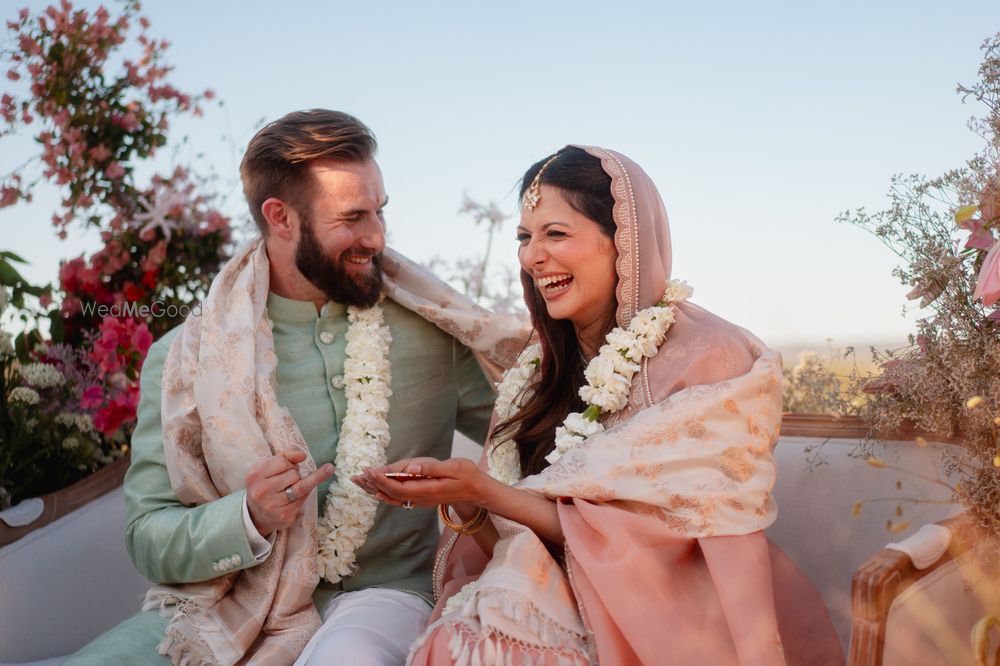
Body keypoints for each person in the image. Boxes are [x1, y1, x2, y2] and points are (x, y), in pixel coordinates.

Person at [67, 110, 528, 665]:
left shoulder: (436, 333)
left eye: (380, 212)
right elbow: (148, 537)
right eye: (353, 217)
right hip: (223, 606)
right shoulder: (185, 360)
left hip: (385, 598)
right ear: (280, 217)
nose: (377, 237)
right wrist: (248, 517)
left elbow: (531, 439)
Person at [360, 146, 844, 665]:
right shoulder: (536, 374)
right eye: (525, 238)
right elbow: (515, 538)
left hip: (674, 625)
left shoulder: (708, 358)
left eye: (555, 234)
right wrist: (468, 499)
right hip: (530, 599)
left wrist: (488, 491)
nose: (531, 257)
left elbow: (661, 539)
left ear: (624, 243)